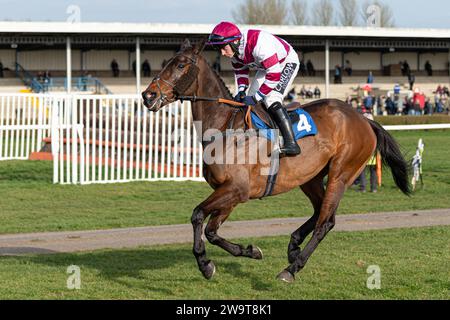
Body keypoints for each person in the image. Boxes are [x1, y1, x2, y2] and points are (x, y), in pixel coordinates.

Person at [207, 21, 301, 155]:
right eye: (219, 49)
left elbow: (274, 75)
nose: (222, 53)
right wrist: (241, 90)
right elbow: (241, 72)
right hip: (266, 67)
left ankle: (291, 143)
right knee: (248, 100)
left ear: (234, 42)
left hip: (285, 62)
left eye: (223, 48)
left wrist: (257, 97)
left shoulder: (258, 45)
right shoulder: (234, 51)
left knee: (271, 99)